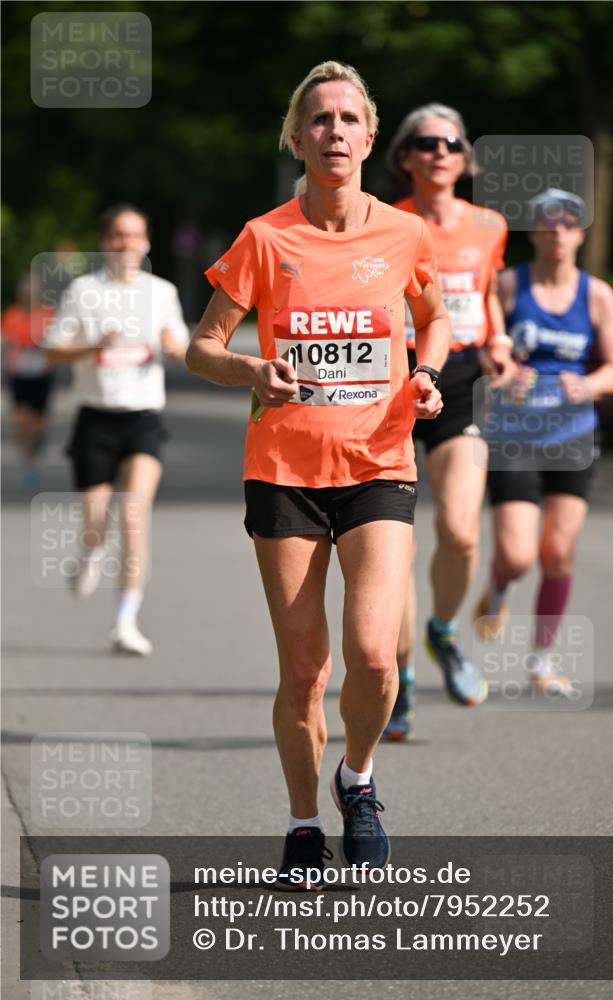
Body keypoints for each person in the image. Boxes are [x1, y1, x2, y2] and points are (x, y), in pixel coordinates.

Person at [186, 61, 449, 885]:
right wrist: (252, 371)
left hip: (379, 459)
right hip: (284, 470)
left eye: (347, 119)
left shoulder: (405, 234)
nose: (334, 132)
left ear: (370, 138)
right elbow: (201, 347)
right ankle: (303, 826)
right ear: (296, 139)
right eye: (319, 120)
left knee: (374, 657)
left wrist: (428, 374)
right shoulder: (265, 238)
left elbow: (433, 318)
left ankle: (357, 781)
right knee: (304, 671)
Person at [382, 104, 515, 740]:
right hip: (388, 382)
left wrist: (501, 339)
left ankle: (442, 632)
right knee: (396, 548)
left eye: (452, 143)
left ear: (465, 159)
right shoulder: (385, 224)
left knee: (461, 533)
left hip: (460, 380)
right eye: (426, 143)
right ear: (405, 156)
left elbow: (484, 291)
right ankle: (400, 679)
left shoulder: (489, 224)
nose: (440, 151)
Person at [473, 188, 613, 694]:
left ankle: (541, 664)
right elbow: (480, 347)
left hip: (572, 435)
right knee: (519, 555)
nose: (558, 232)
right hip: (513, 434)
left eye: (568, 223)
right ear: (534, 231)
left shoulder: (598, 295)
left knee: (558, 553)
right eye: (548, 223)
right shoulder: (506, 285)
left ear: (580, 233)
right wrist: (501, 368)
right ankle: (499, 585)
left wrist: (589, 384)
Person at [44, 204, 189, 655]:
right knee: (96, 522)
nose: (127, 244)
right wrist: (93, 345)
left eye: (136, 236)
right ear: (106, 242)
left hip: (143, 416)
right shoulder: (84, 292)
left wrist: (173, 348)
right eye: (118, 236)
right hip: (96, 417)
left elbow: (184, 348)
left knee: (133, 516)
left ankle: (125, 621)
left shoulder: (161, 292)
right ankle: (91, 550)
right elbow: (53, 352)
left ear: (146, 243)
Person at [2, 274, 55, 490]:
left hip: (42, 372)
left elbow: (56, 339)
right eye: (25, 291)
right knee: (21, 419)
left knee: (39, 421)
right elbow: (4, 340)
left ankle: (40, 439)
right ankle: (28, 463)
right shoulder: (11, 315)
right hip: (18, 372)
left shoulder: (47, 314)